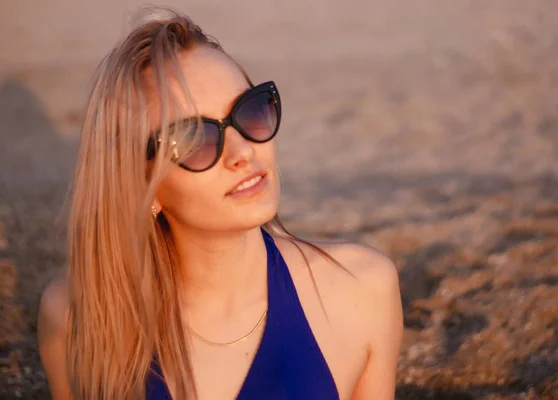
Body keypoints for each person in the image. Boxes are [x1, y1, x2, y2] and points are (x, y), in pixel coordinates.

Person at [37, 7, 403, 400]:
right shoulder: (78, 319)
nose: (243, 151)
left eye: (250, 111)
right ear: (142, 186)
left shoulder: (361, 291)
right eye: (194, 140)